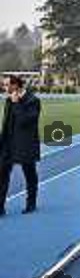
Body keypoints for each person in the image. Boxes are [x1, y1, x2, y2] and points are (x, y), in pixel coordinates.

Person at [0, 75, 41, 216]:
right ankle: (0, 207)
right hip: (8, 144)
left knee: (29, 174)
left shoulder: (33, 101)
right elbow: (6, 124)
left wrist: (17, 103)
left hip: (26, 144)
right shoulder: (8, 100)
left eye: (6, 85)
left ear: (16, 85)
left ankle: (31, 203)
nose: (4, 88)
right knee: (2, 174)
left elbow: (25, 121)